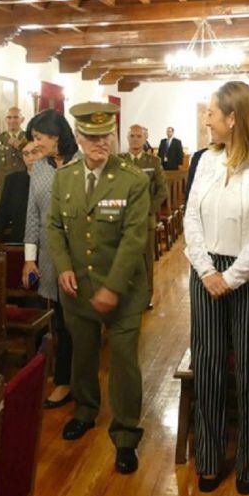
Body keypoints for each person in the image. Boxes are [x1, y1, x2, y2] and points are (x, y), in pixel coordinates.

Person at [184, 81, 249, 495]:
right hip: (206, 271)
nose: (206, 119)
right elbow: (190, 218)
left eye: (211, 112)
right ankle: (209, 459)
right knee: (207, 367)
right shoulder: (206, 160)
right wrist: (207, 269)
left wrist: (231, 277)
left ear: (233, 118)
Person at [48, 101, 150, 475]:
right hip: (77, 288)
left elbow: (134, 238)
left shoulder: (132, 180)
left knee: (124, 362)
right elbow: (55, 228)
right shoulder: (65, 177)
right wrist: (62, 268)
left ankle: (125, 435)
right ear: (77, 138)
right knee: (83, 354)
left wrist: (113, 288)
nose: (100, 143)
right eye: (91, 137)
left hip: (122, 291)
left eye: (105, 135)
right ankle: (86, 409)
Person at [22, 109, 79, 408]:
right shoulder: (41, 168)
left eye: (39, 137)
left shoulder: (82, 163)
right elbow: (33, 212)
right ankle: (63, 380)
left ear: (57, 136)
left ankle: (77, 381)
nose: (35, 144)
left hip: (79, 258)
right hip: (48, 256)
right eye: (33, 138)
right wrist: (29, 258)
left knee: (78, 323)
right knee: (59, 320)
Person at [118, 124, 167, 303]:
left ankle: (146, 296)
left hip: (145, 220)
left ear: (146, 139)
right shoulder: (119, 161)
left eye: (139, 136)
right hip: (123, 220)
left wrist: (148, 210)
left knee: (146, 259)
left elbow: (162, 191)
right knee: (125, 258)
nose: (135, 139)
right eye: (131, 136)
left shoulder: (153, 162)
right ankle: (127, 295)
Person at [0, 139, 42, 246]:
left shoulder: (55, 178)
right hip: (21, 240)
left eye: (34, 152)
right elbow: (2, 213)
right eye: (26, 154)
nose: (30, 158)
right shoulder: (13, 180)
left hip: (47, 242)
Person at [0, 106, 27, 207]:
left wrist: (19, 146)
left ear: (22, 120)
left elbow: (32, 161)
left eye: (15, 117)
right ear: (5, 119)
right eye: (9, 117)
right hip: (3, 185)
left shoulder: (28, 138)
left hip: (22, 185)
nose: (12, 121)